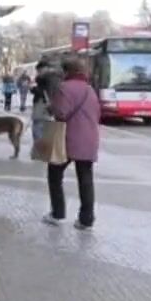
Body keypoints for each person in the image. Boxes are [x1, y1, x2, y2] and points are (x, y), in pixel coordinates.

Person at [42, 55, 101, 230]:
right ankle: (86, 219)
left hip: (67, 138)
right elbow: (98, 113)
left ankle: (57, 213)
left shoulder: (64, 88)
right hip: (89, 139)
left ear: (66, 71)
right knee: (86, 179)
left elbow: (61, 113)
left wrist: (51, 107)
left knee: (54, 174)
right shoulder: (90, 90)